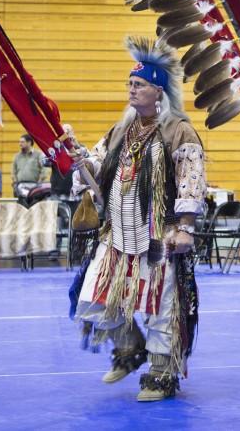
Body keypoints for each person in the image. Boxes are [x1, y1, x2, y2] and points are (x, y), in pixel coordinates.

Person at [71, 36, 206, 403]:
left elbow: (190, 181)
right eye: (129, 84)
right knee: (94, 298)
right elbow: (96, 167)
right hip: (116, 233)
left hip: (159, 234)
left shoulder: (178, 129)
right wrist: (80, 162)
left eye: (139, 84)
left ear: (158, 91)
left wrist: (186, 227)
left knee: (162, 305)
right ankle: (131, 349)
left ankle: (162, 370)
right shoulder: (120, 130)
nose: (131, 90)